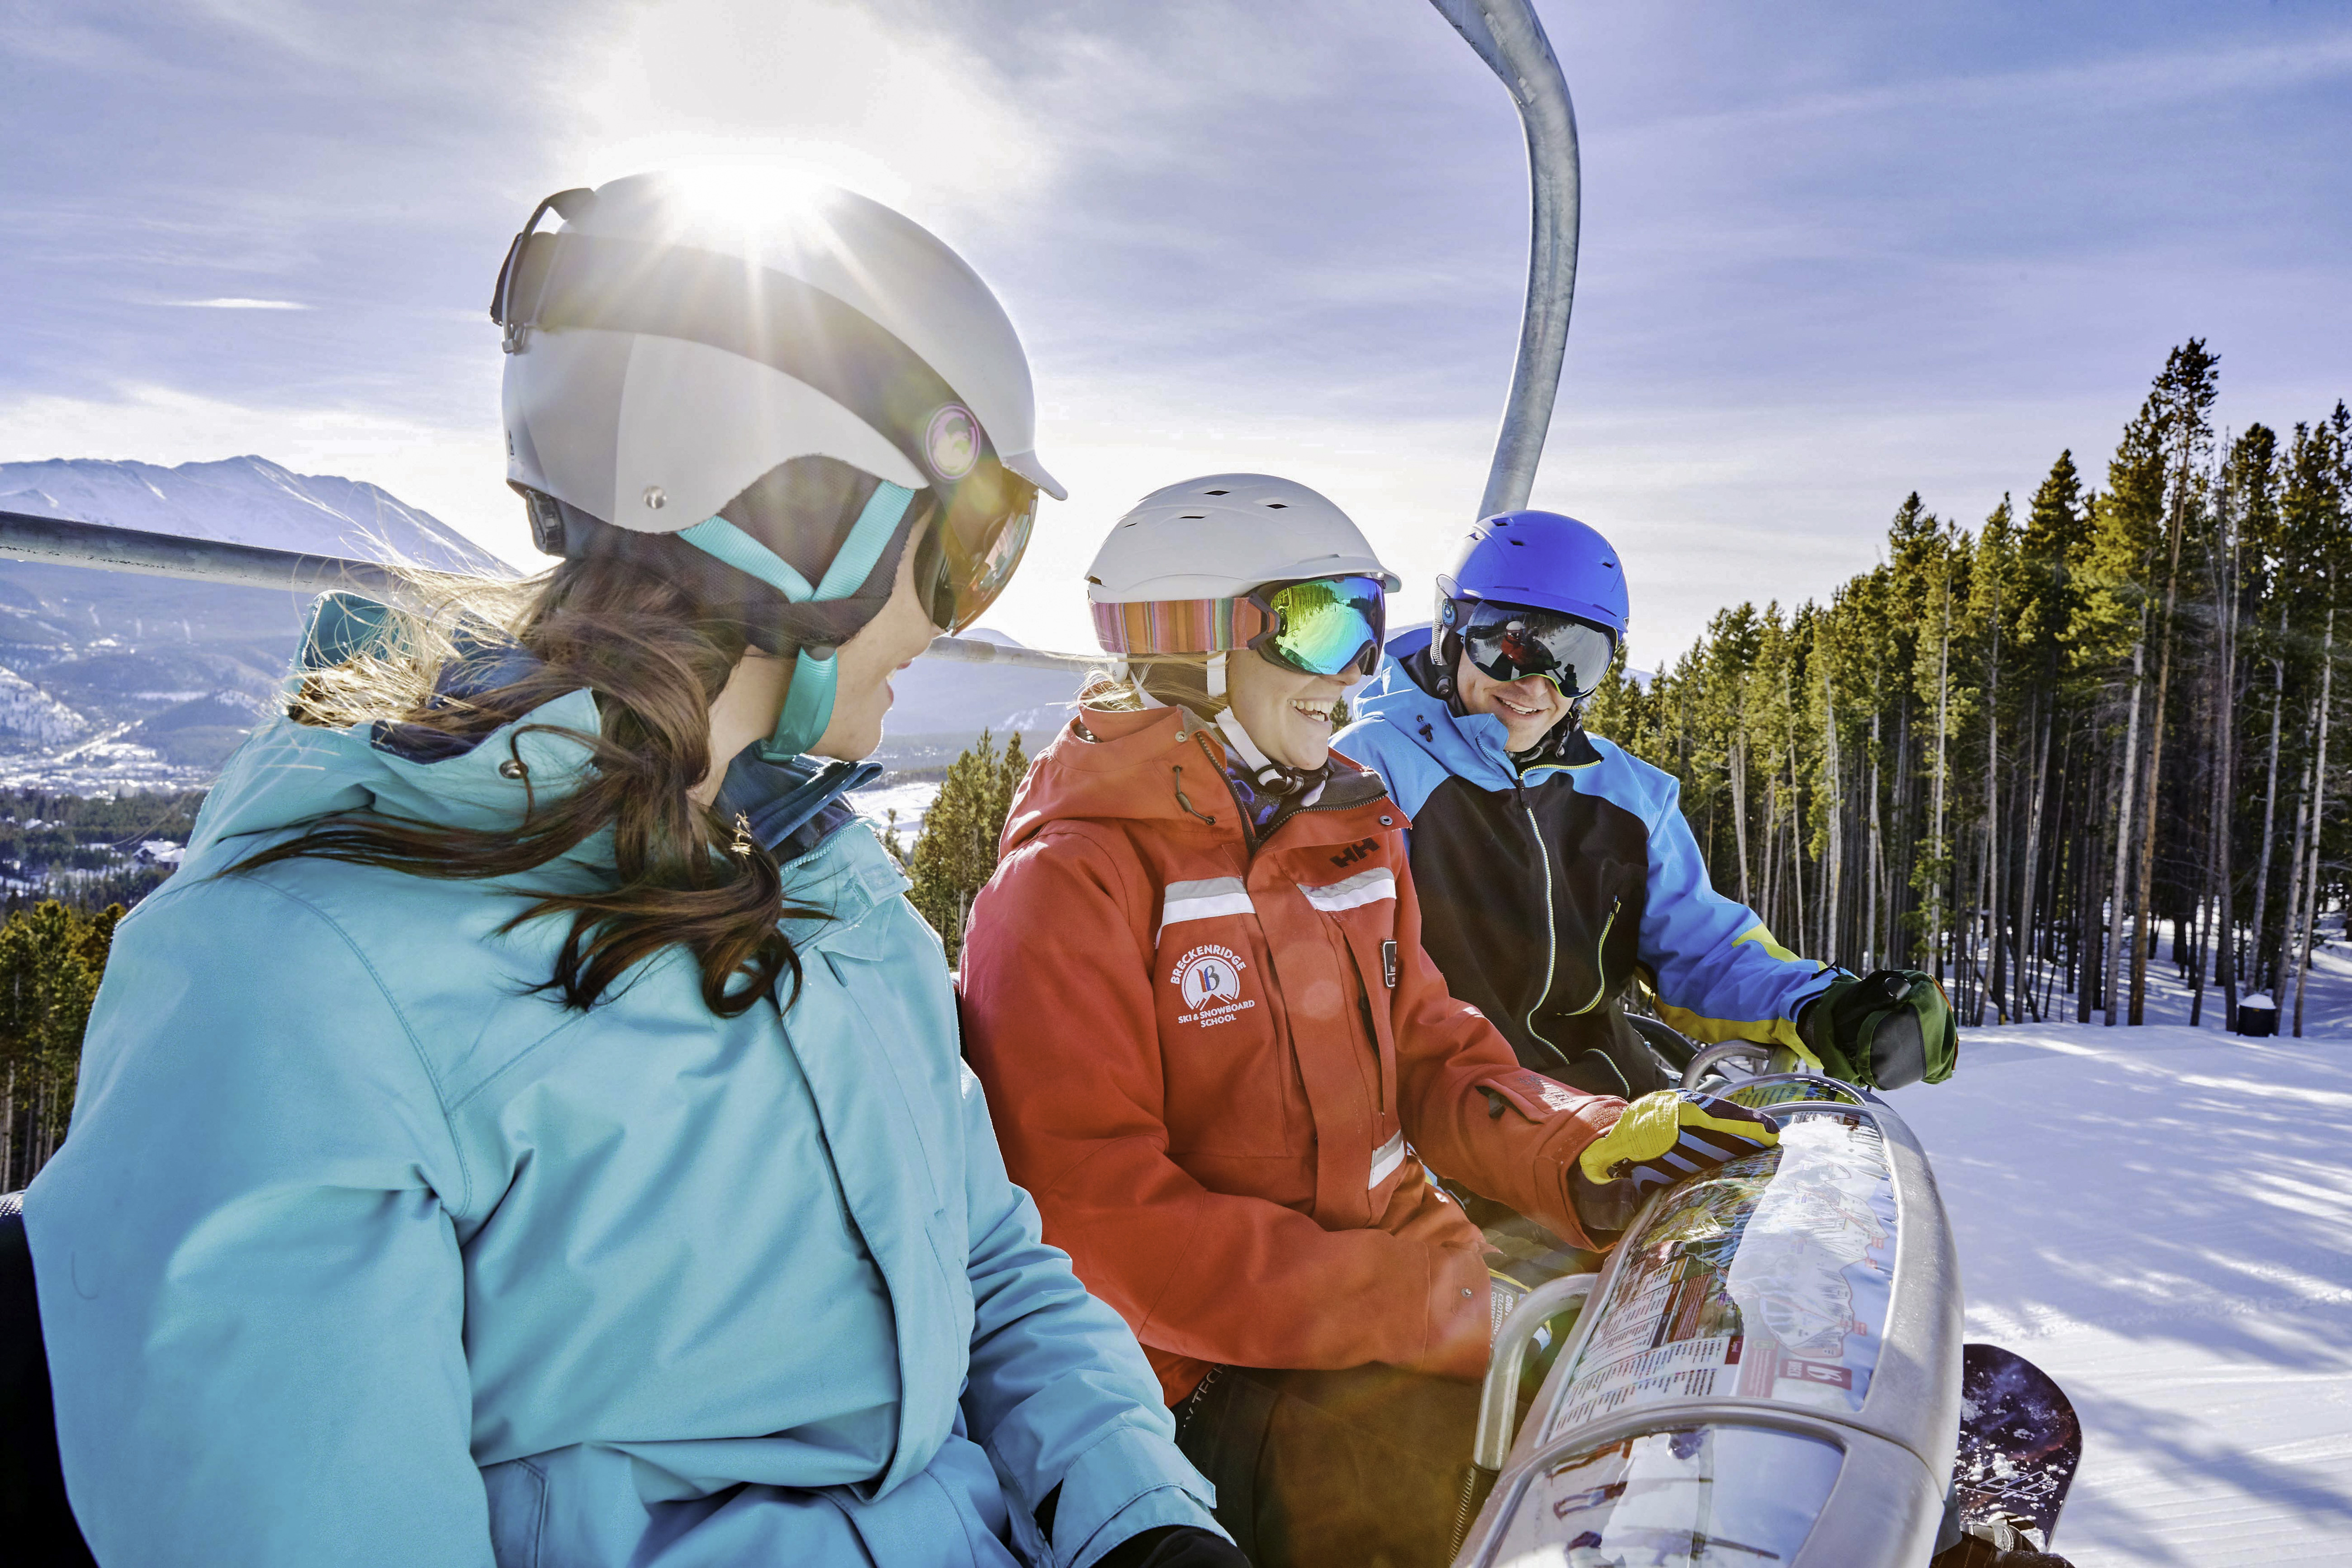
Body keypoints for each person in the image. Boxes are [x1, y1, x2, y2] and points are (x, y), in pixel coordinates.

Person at [23, 174, 1239, 1568]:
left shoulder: (840, 899)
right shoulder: (300, 985)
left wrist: (1143, 1521)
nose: (963, 615)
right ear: (799, 512)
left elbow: (994, 1271)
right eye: (969, 546)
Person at [957, 476, 1781, 1568]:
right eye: (1323, 623)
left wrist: (1583, 1148)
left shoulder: (1344, 830)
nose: (1357, 670)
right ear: (1191, 638)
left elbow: (1432, 1050)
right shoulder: (1071, 884)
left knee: (1665, 1436)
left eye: (1369, 623)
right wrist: (1423, 1301)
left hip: (1398, 1315)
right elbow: (1094, 1220)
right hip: (1212, 1379)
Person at [1336, 509, 1958, 1103]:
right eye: (1511, 644)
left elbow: (1703, 953)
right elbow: (1351, 983)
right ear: (1454, 628)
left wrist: (1827, 1006)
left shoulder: (1627, 794)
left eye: (1575, 660)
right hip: (1449, 1121)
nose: (1537, 686)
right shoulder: (1371, 769)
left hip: (1613, 1115)